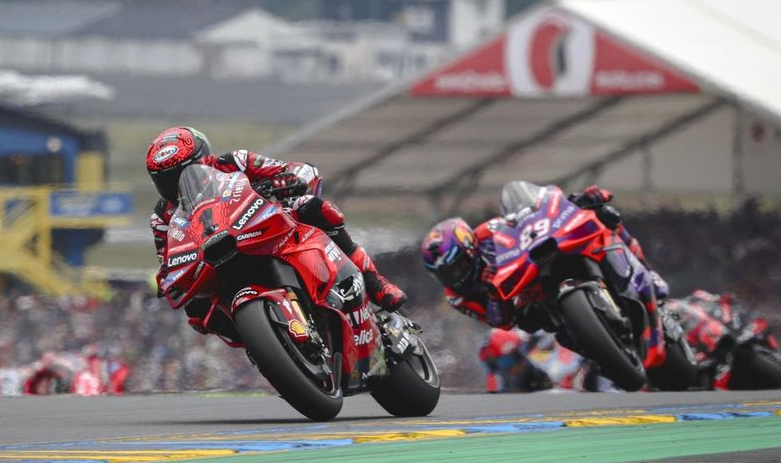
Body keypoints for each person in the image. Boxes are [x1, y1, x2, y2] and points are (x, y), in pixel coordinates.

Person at [145, 126, 406, 333]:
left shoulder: (234, 161)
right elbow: (167, 259)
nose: (174, 184)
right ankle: (261, 343)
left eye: (181, 173)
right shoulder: (161, 216)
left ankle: (374, 281)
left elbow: (296, 170)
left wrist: (290, 179)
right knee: (197, 311)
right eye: (164, 179)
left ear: (201, 158)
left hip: (265, 225)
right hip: (217, 257)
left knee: (313, 208)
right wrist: (166, 278)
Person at [420, 184, 664, 332]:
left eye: (457, 267)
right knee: (536, 322)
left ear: (470, 249)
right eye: (445, 275)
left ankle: (644, 269)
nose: (454, 277)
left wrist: (574, 201)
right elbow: (501, 324)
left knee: (605, 216)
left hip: (533, 264)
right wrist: (494, 295)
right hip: (525, 301)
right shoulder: (456, 297)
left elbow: (528, 219)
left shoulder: (489, 232)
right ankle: (593, 344)